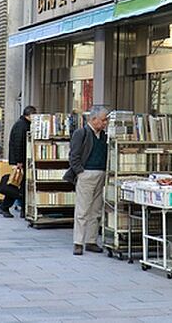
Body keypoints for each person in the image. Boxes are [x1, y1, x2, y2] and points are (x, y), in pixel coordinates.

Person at [68, 105, 109, 255]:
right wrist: (80, 172)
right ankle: (78, 242)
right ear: (93, 119)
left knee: (96, 210)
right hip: (87, 174)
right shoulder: (81, 133)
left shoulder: (104, 135)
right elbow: (74, 155)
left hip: (101, 173)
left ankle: (91, 241)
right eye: (103, 120)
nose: (105, 123)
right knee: (83, 210)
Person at [0, 105, 37, 219]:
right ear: (29, 115)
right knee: (17, 184)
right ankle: (5, 207)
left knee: (18, 184)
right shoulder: (21, 125)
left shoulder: (22, 124)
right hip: (20, 161)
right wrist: (19, 161)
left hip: (21, 160)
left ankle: (14, 208)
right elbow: (18, 144)